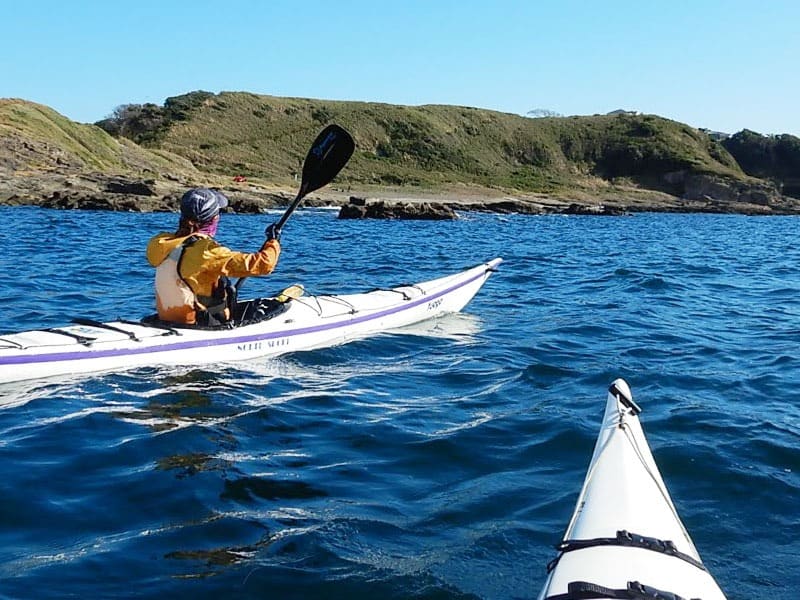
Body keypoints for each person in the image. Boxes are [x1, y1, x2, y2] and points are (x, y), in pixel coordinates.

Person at [146, 187, 281, 327]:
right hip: (199, 323)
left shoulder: (160, 242)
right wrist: (273, 241)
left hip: (168, 318)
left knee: (224, 286)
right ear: (214, 219)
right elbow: (264, 264)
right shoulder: (207, 251)